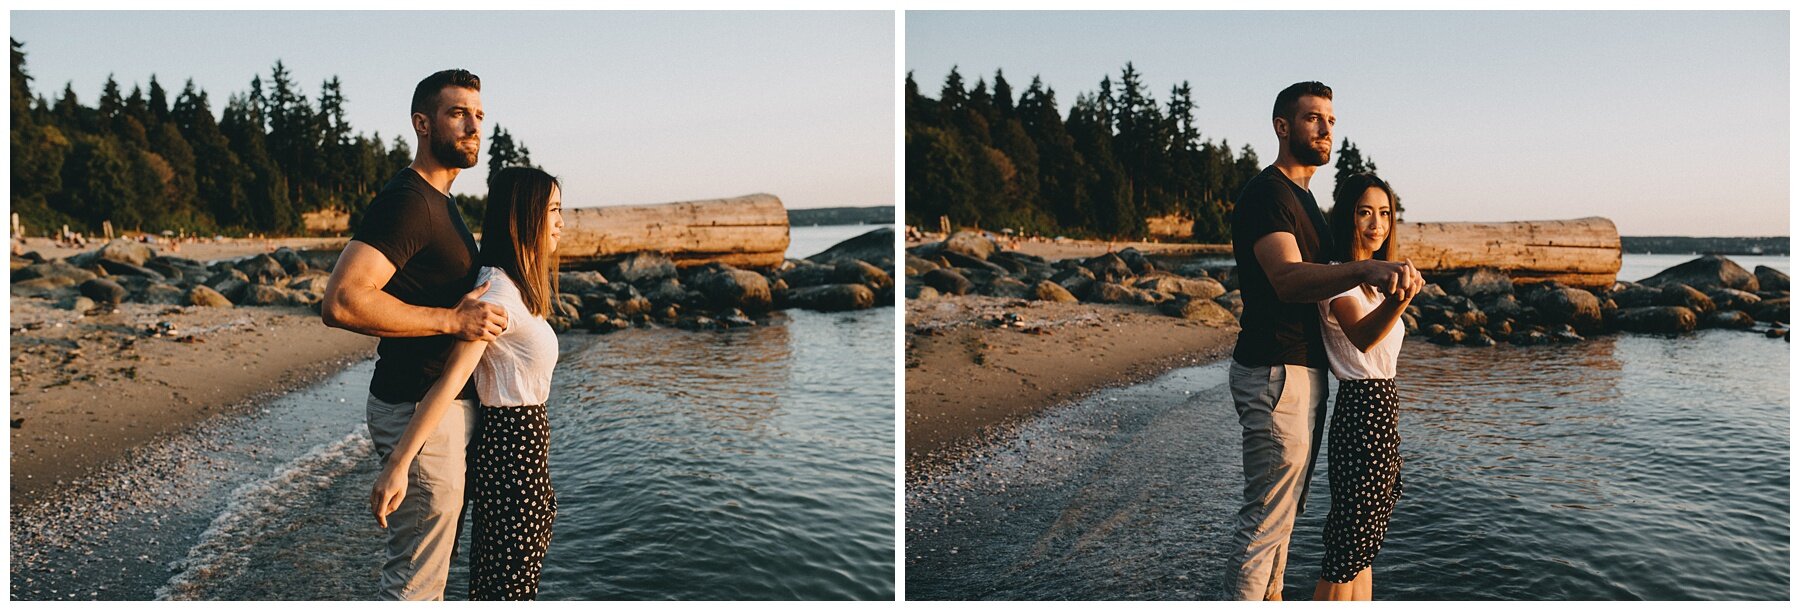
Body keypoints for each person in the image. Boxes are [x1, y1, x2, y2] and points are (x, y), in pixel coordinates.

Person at [1223, 81, 1422, 601]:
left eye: (1331, 120)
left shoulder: (1306, 203)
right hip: (1274, 369)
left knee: (1284, 521)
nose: (1325, 128)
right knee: (1266, 520)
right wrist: (1367, 271)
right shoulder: (1268, 194)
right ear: (1282, 127)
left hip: (1304, 375)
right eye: (1313, 118)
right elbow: (1287, 280)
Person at [320, 68, 507, 600]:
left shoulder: (443, 204)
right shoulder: (408, 201)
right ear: (422, 124)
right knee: (416, 584)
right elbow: (343, 300)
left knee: (430, 573)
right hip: (417, 411)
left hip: (436, 409)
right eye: (457, 114)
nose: (473, 127)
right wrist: (452, 320)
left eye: (478, 115)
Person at [370, 166, 565, 600]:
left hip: (523, 455)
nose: (560, 221)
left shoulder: (514, 288)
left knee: (507, 585)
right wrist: (399, 464)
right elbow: (449, 380)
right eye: (552, 209)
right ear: (525, 216)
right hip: (512, 455)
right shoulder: (495, 293)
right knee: (504, 591)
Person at [1311, 172, 1412, 601]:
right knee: (1346, 551)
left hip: (1384, 411)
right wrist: (1400, 300)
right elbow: (1363, 336)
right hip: (1360, 412)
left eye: (1385, 213)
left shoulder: (1371, 283)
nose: (1377, 224)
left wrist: (1390, 295)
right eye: (1365, 212)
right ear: (1347, 217)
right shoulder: (1339, 277)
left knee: (1366, 548)